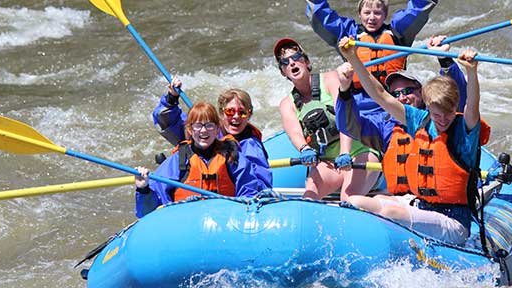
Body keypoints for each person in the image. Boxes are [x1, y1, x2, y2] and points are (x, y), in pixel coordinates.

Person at [336, 35, 488, 245]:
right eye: (437, 114)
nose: (442, 119)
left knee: (388, 210)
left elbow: (472, 105)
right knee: (354, 201)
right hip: (421, 206)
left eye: (448, 113)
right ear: (428, 108)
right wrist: (352, 57)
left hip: (453, 222)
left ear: (455, 108)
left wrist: (472, 71)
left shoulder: (465, 129)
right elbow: (380, 94)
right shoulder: (420, 120)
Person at [305, 0, 439, 105]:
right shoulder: (349, 34)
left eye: (377, 13)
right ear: (359, 14)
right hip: (361, 102)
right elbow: (320, 17)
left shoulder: (398, 32)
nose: (372, 18)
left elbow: (419, 8)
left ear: (385, 15)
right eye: (367, 13)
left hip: (394, 99)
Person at [275, 37, 381, 201]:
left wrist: (344, 152)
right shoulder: (286, 104)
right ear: (283, 72)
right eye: (285, 62)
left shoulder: (331, 79)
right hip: (328, 161)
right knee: (309, 197)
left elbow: (345, 115)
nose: (292, 63)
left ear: (307, 62)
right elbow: (295, 133)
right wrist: (305, 149)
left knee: (348, 198)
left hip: (359, 152)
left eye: (296, 58)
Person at [336, 34, 469, 157]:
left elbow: (456, 93)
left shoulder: (438, 117)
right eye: (395, 94)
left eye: (407, 91)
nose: (402, 98)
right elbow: (348, 126)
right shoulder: (384, 124)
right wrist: (344, 90)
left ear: (420, 92)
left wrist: (444, 59)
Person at [134, 102, 264, 218]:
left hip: (224, 220)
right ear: (190, 129)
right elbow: (147, 212)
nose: (203, 130)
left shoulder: (232, 157)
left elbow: (249, 193)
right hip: (187, 223)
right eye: (198, 125)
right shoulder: (179, 159)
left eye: (209, 125)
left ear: (217, 128)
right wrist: (143, 189)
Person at [152, 78, 272, 189]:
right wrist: (172, 98)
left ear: (249, 115)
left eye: (242, 113)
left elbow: (260, 185)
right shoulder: (202, 131)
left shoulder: (252, 146)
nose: (236, 117)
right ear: (221, 113)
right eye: (230, 111)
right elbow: (166, 120)